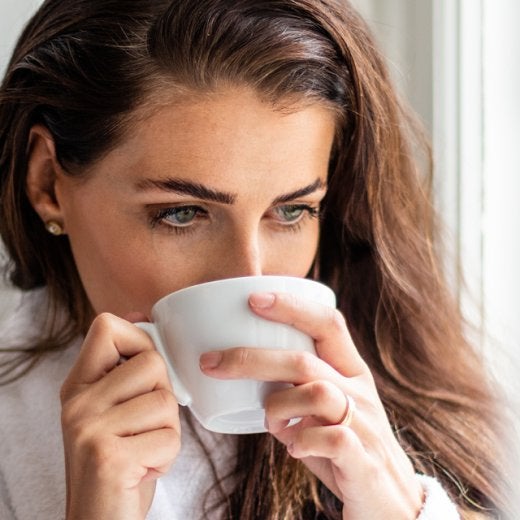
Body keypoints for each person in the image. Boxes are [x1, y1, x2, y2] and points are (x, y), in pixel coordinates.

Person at [0, 0, 511, 518]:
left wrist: (400, 507)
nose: (251, 275)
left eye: (291, 210)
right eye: (181, 213)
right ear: (47, 182)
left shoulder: (434, 420)